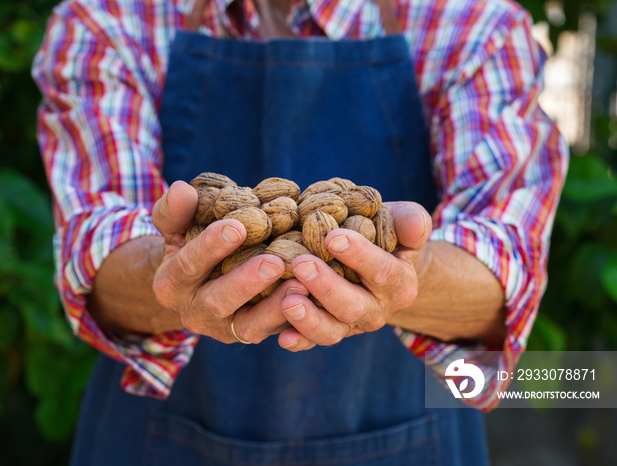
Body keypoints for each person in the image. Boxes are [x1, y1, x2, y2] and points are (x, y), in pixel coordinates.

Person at [32, 0, 568, 463]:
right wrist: (169, 272)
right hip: (159, 438)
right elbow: (93, 250)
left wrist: (408, 271)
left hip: (409, 430)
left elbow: (505, 271)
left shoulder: (474, 24)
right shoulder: (107, 18)